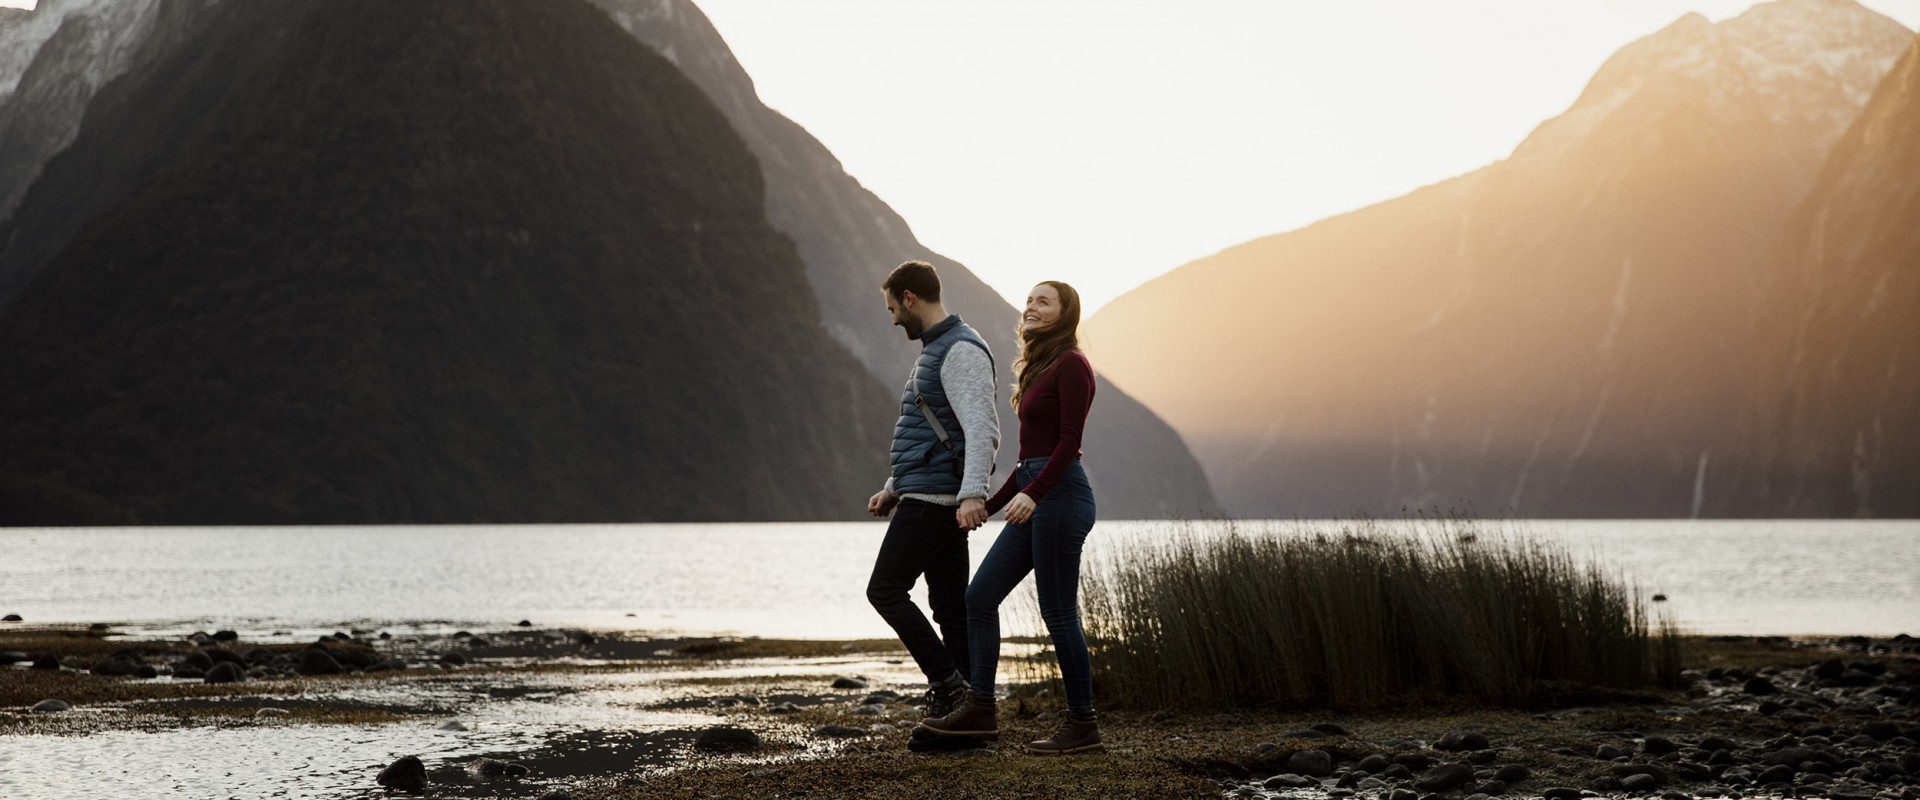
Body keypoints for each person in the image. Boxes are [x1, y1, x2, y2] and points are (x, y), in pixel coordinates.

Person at [918, 280, 1102, 754]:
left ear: (1066, 313)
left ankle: (1083, 725)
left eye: (1044, 301)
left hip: (1061, 497)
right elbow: (1027, 461)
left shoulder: (1074, 365)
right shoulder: (1040, 365)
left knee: (1058, 614)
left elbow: (1067, 443)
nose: (1031, 307)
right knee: (979, 598)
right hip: (1037, 491)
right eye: (1029, 300)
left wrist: (1035, 494)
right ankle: (981, 708)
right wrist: (983, 503)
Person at [866, 260, 1000, 719]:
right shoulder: (936, 349)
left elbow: (981, 429)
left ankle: (948, 685)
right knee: (949, 607)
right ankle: (970, 709)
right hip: (926, 493)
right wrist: (893, 488)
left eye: (892, 308)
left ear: (909, 298)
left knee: (884, 590)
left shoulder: (960, 351)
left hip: (937, 500)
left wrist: (973, 493)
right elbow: (928, 430)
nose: (892, 318)